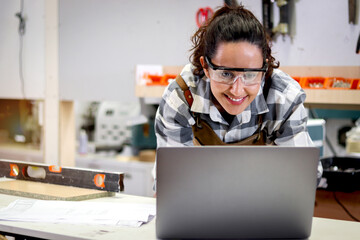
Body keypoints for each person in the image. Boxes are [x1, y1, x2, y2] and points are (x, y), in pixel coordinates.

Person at [154, 4, 322, 182]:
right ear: (206, 67)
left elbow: (303, 178)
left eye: (250, 75)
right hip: (199, 206)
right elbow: (173, 182)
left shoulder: (284, 99)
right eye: (226, 74)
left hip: (264, 206)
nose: (237, 90)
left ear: (264, 69)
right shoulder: (181, 98)